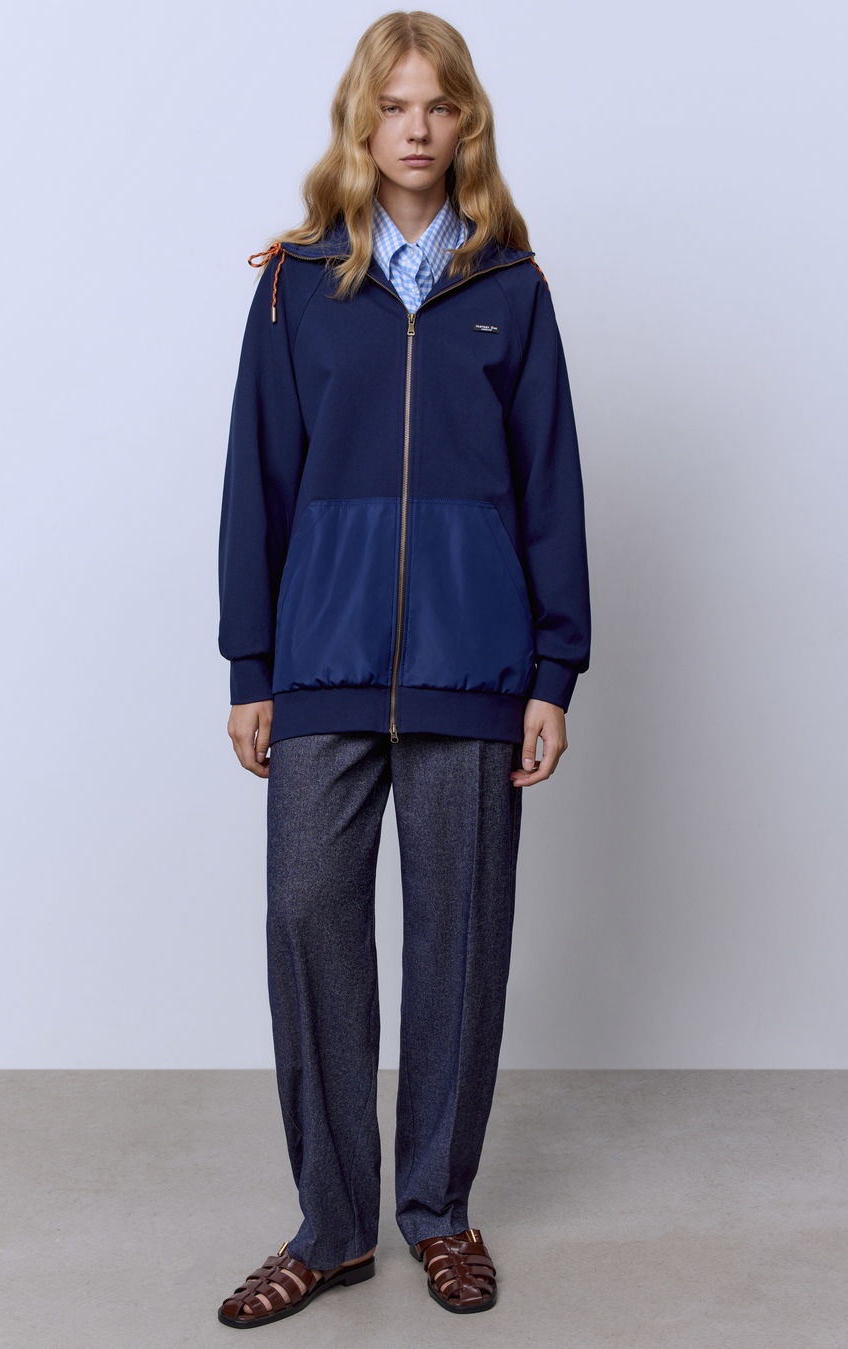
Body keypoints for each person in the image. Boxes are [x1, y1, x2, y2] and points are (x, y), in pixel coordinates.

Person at [215, 9, 590, 1328]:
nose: (416, 129)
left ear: (464, 121)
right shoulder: (294, 284)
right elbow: (257, 482)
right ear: (360, 122)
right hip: (320, 663)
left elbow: (551, 489)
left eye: (438, 106)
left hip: (474, 669)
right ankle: (332, 1228)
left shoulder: (512, 290)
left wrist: (553, 672)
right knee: (308, 921)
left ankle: (439, 1211)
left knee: (459, 950)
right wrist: (251, 664)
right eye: (394, 107)